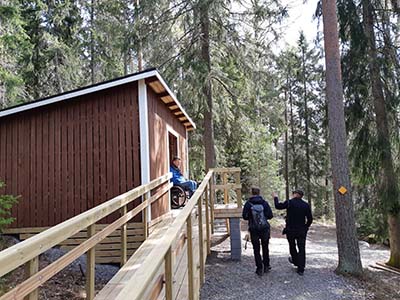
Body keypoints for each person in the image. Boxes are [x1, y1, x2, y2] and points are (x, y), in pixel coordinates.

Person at [272, 190, 313, 276]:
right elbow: (310, 219)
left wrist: (275, 197)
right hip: (301, 230)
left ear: (295, 194)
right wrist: (306, 227)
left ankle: (295, 261)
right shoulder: (306, 205)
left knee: (292, 246)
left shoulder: (290, 203)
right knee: (302, 248)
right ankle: (301, 269)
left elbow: (278, 206)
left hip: (290, 230)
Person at [242, 187, 273, 276]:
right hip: (264, 228)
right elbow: (270, 215)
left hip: (254, 228)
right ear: (259, 193)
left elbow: (244, 216)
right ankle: (266, 266)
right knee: (265, 247)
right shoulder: (264, 203)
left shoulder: (248, 204)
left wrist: (251, 218)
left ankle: (259, 268)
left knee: (256, 249)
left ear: (252, 193)